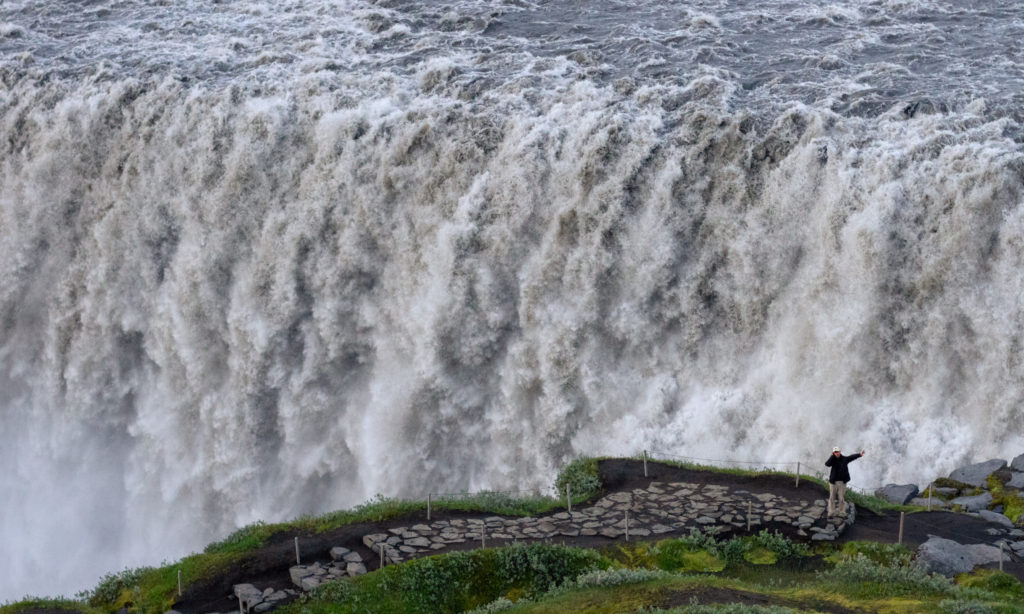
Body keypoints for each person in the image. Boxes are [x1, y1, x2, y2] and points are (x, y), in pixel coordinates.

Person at [825, 446, 865, 516]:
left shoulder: (844, 459)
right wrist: (832, 456)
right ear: (833, 453)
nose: (837, 453)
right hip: (833, 482)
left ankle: (841, 512)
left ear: (840, 452)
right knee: (832, 497)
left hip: (842, 482)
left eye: (838, 452)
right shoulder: (832, 460)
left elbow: (852, 457)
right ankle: (831, 512)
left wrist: (859, 454)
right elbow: (827, 464)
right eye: (835, 452)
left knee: (841, 498)